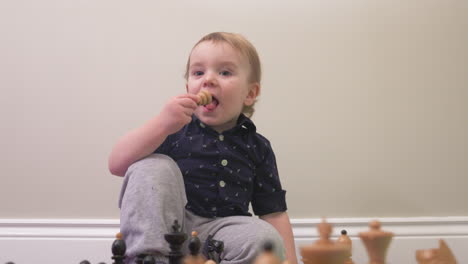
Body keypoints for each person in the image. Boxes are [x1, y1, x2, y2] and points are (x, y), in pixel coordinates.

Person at [108, 32, 298, 264]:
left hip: (226, 232)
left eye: (225, 72)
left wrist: (289, 259)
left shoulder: (257, 146)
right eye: (198, 72)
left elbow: (273, 211)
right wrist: (161, 123)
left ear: (250, 94)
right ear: (188, 86)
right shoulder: (172, 130)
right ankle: (147, 258)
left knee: (265, 238)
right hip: (169, 231)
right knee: (152, 165)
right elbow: (116, 164)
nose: (208, 80)